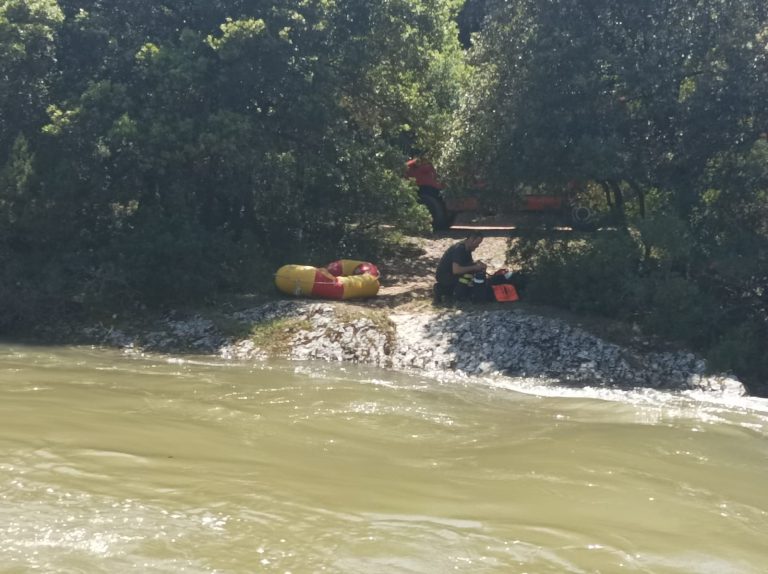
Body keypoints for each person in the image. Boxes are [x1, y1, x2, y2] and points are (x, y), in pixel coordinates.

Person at [434, 231, 488, 302]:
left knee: (472, 276)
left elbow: (468, 265)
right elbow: (456, 270)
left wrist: (478, 265)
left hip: (452, 275)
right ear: (471, 239)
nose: (477, 246)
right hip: (445, 276)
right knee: (466, 279)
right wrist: (474, 267)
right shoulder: (459, 249)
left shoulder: (467, 250)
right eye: (477, 243)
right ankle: (442, 290)